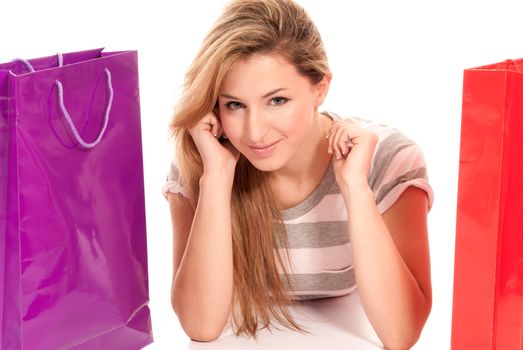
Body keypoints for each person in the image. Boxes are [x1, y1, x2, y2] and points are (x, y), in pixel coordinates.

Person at [162, 0, 434, 348]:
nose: (255, 131)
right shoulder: (203, 162)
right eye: (235, 105)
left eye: (277, 101)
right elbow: (200, 327)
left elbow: (401, 334)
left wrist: (355, 188)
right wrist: (216, 178)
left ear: (320, 87)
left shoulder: (388, 158)